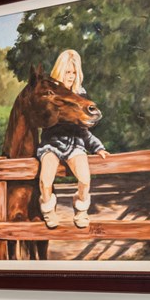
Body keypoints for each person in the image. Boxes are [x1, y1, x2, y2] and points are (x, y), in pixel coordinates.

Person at [37, 49, 109, 229]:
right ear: (60, 71)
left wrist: (97, 147)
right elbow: (42, 121)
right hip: (51, 143)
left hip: (74, 143)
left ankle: (81, 210)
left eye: (74, 72)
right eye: (67, 72)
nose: (70, 76)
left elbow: (84, 131)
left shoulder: (79, 95)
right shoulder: (51, 94)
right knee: (45, 180)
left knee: (85, 179)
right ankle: (48, 210)